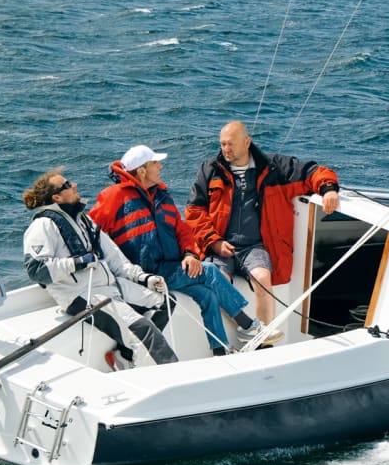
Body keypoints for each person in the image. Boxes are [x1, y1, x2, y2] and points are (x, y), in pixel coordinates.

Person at [89, 144, 282, 355]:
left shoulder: (162, 195)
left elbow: (182, 230)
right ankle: (249, 326)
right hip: (145, 274)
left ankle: (220, 351)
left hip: (170, 267)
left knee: (207, 295)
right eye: (155, 163)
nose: (161, 166)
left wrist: (190, 254)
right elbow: (90, 233)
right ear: (142, 171)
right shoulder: (113, 196)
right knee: (210, 271)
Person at [185, 120, 340, 327]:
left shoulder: (276, 168)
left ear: (247, 142)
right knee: (218, 281)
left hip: (254, 247)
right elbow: (194, 212)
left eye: (231, 144)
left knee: (263, 278)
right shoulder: (210, 169)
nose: (225, 149)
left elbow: (314, 172)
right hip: (220, 246)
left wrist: (328, 190)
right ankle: (245, 329)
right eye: (222, 144)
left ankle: (264, 336)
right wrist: (214, 242)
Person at [22, 168, 177, 368]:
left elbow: (116, 259)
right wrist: (78, 262)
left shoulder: (85, 221)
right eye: (67, 185)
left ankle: (126, 356)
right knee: (143, 329)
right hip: (81, 295)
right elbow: (37, 270)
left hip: (111, 287)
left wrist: (144, 278)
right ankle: (165, 374)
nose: (74, 185)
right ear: (57, 197)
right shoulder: (43, 225)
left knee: (166, 300)